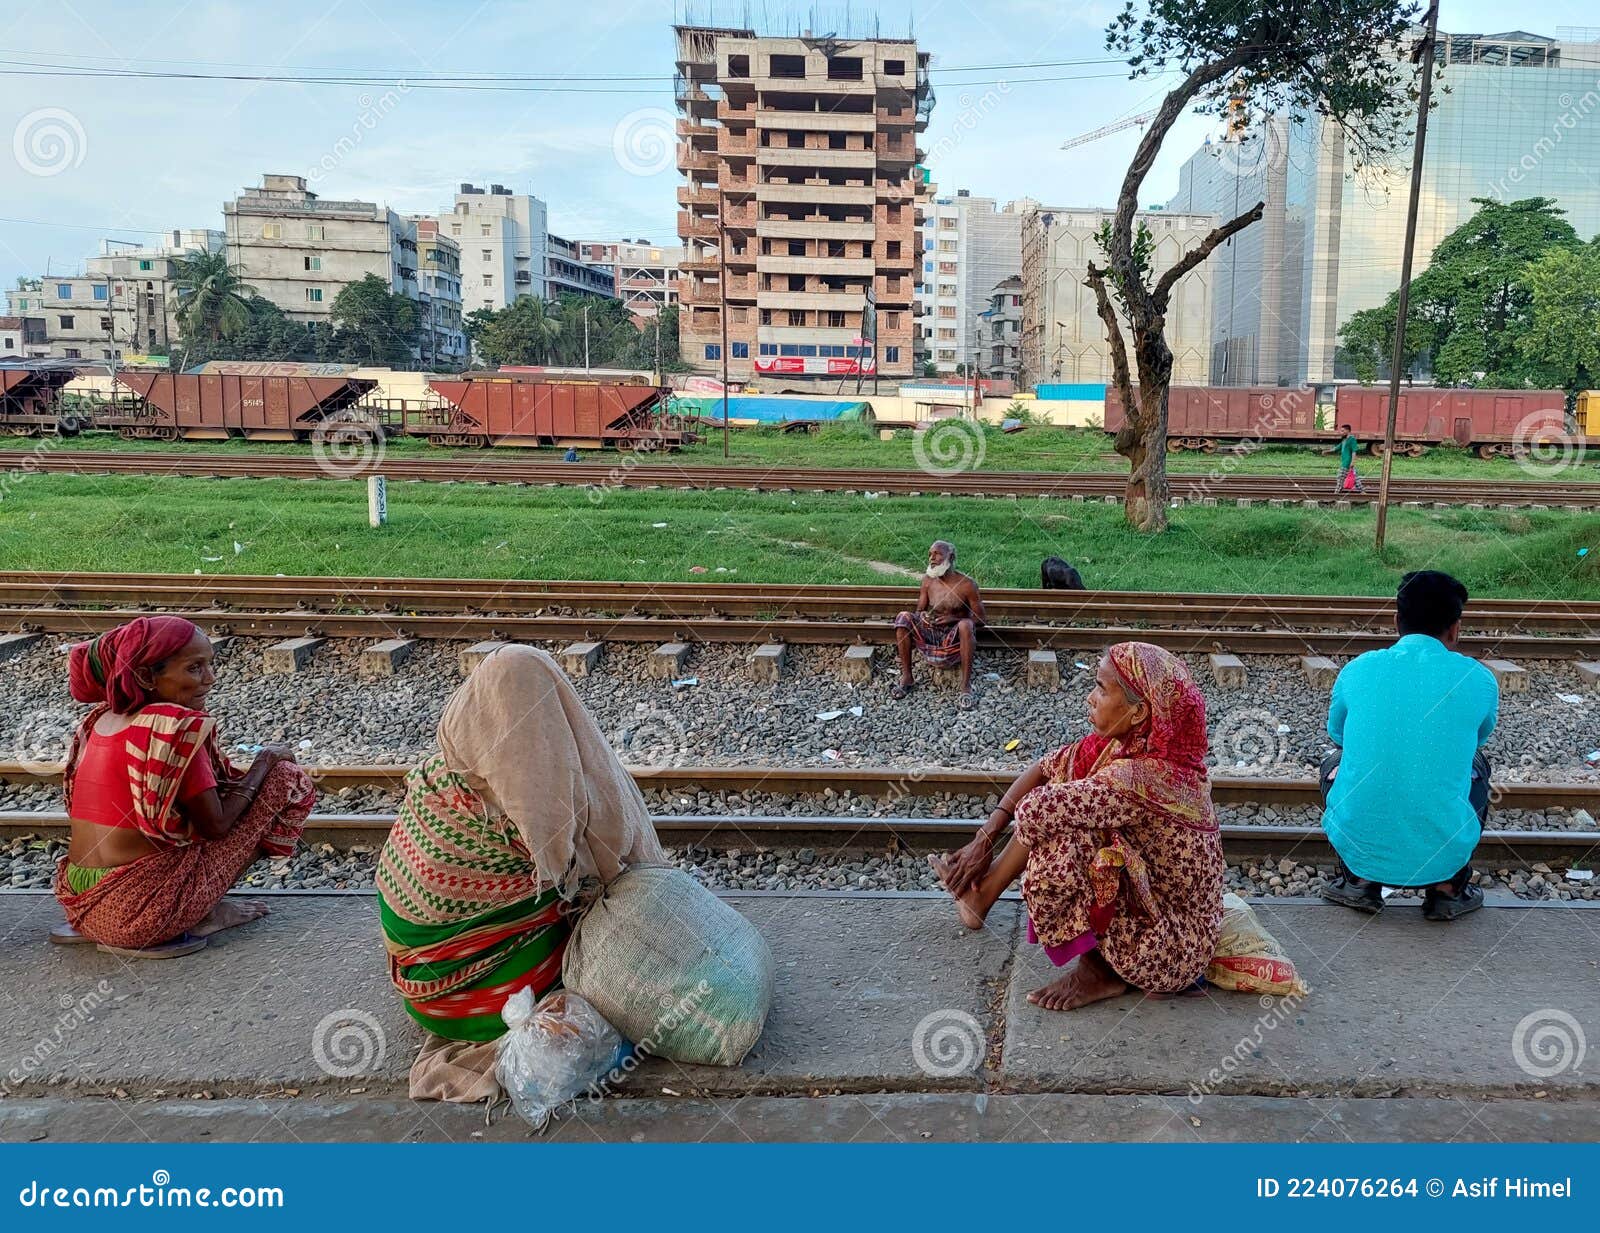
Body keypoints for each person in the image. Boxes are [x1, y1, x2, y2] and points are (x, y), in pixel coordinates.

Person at [377, 644, 667, 1102]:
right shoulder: (532, 810)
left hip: (423, 990)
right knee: (602, 916)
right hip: (487, 1003)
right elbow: (600, 873)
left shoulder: (440, 775)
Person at [928, 642, 1223, 1011]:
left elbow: (1036, 811)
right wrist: (983, 837)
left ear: (1138, 712)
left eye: (1101, 688)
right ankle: (982, 896)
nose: (1090, 698)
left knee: (1066, 839)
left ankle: (1100, 973)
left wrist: (985, 845)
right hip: (1163, 913)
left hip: (1172, 950)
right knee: (1066, 797)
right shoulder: (1130, 746)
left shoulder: (1143, 777)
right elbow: (1043, 768)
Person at [53, 616, 314, 959]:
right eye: (194, 668)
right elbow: (216, 826)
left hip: (81, 905)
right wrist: (264, 764)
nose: (210, 678)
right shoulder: (173, 732)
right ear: (147, 676)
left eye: (209, 665)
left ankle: (194, 906)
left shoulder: (99, 719)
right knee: (286, 778)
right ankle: (205, 912)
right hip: (142, 918)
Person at [1320, 570, 1498, 920]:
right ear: (1455, 628)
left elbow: (1338, 735)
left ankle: (1359, 880)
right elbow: (1477, 739)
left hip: (1359, 846)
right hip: (1445, 852)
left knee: (1333, 764)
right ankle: (1447, 888)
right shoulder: (1479, 678)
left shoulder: (1357, 669)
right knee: (1476, 766)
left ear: (1397, 621)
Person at [893, 540, 986, 707]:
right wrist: (923, 616)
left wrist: (954, 619)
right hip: (932, 633)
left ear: (950, 557)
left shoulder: (967, 584)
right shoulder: (928, 581)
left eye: (937, 554)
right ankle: (907, 677)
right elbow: (919, 610)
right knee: (903, 617)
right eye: (930, 554)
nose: (932, 558)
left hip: (954, 637)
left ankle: (965, 686)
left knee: (965, 625)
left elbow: (981, 620)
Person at [1336, 425, 1365, 493]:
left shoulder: (1352, 439)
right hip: (1345, 462)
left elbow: (1354, 451)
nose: (1341, 432)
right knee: (1355, 478)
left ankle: (1336, 493)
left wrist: (1352, 462)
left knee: (1340, 477)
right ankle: (1363, 491)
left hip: (1347, 463)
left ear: (1348, 431)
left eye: (1343, 431)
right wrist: (1328, 451)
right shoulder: (1344, 440)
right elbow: (1338, 447)